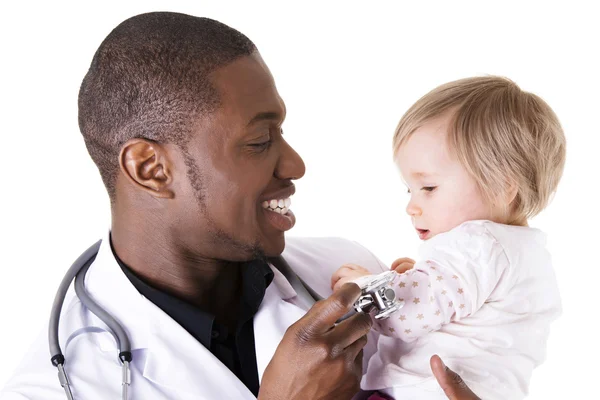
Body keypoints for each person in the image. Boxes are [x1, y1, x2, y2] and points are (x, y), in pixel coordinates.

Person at [0, 12, 480, 400]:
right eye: (258, 141)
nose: (294, 164)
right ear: (151, 168)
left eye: (282, 132)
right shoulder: (57, 388)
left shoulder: (346, 271)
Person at [332, 76, 565, 399]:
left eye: (429, 188)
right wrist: (421, 277)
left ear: (502, 186)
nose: (412, 207)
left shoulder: (476, 243)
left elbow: (405, 316)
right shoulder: (527, 252)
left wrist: (365, 284)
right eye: (409, 189)